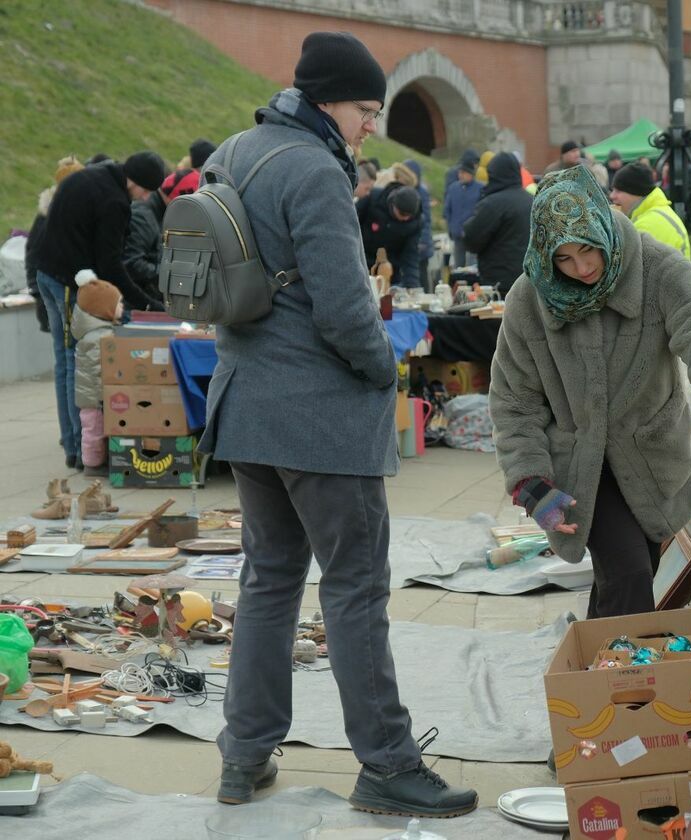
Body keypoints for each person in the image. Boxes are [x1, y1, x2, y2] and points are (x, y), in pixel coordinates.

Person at [197, 30, 478, 818]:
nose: (369, 125)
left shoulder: (236, 149)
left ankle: (242, 756)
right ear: (328, 101)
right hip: (316, 419)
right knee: (354, 588)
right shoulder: (315, 169)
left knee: (268, 581)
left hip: (244, 402)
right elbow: (345, 307)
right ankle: (387, 763)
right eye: (365, 109)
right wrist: (384, 368)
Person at [489, 165, 691, 619]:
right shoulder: (529, 298)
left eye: (588, 251)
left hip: (656, 458)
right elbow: (513, 399)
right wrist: (529, 481)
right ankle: (632, 687)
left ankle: (594, 679)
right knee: (629, 577)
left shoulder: (659, 270)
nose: (581, 268)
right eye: (563, 258)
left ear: (603, 226)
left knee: (624, 580)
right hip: (579, 467)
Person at [29, 151, 166, 470]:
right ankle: (78, 448)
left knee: (65, 361)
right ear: (134, 182)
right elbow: (111, 266)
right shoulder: (115, 202)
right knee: (75, 363)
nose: (144, 198)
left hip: (47, 273)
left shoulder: (91, 175)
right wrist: (146, 304)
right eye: (145, 191)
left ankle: (74, 444)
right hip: (67, 282)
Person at [71, 274, 123, 477]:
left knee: (96, 430)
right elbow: (98, 370)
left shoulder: (100, 333)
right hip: (94, 398)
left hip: (95, 396)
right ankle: (92, 465)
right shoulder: (98, 337)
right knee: (94, 431)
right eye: (119, 304)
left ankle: (96, 462)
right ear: (103, 309)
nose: (122, 308)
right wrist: (106, 394)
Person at [26, 157, 85, 334]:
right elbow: (34, 255)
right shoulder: (49, 216)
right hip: (59, 291)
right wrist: (38, 293)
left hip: (69, 291)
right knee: (65, 347)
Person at [462, 151, 533, 297]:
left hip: (499, 282)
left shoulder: (492, 203)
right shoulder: (532, 200)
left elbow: (472, 239)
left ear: (493, 174)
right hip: (530, 280)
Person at [609, 163, 691, 258]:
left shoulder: (647, 224)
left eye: (618, 191)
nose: (612, 196)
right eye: (612, 190)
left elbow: (631, 268)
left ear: (635, 192)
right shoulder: (655, 214)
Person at [357, 182, 425, 288]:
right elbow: (351, 222)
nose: (405, 219)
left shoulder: (416, 223)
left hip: (390, 271)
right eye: (402, 214)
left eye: (409, 216)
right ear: (393, 204)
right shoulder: (373, 199)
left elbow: (411, 255)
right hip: (362, 263)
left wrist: (412, 286)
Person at [123, 175, 175, 301]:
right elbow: (132, 263)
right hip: (137, 299)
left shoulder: (158, 212)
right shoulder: (143, 216)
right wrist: (168, 273)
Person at [443, 159, 482, 269]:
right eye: (460, 173)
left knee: (473, 266)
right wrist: (450, 229)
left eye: (464, 173)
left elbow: (481, 212)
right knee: (458, 267)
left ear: (471, 174)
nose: (461, 175)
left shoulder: (480, 189)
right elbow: (447, 210)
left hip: (473, 236)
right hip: (457, 235)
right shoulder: (453, 188)